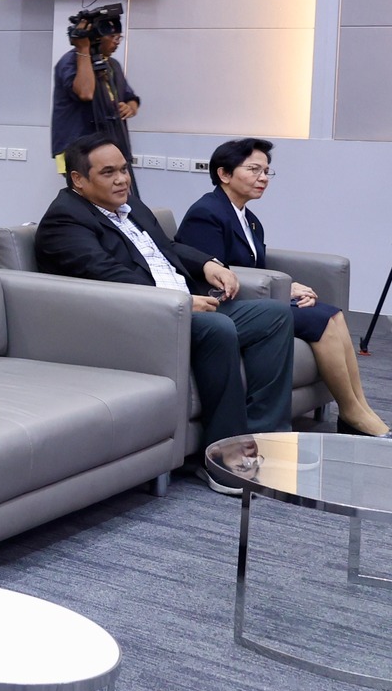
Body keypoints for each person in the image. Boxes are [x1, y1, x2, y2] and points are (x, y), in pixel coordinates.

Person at [35, 135, 294, 494]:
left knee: (275, 315)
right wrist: (180, 302)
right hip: (142, 317)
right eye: (108, 173)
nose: (122, 180)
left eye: (124, 169)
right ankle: (222, 458)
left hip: (182, 304)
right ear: (78, 179)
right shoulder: (65, 220)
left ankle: (264, 437)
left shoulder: (130, 204)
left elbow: (167, 247)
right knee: (217, 327)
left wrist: (208, 264)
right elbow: (106, 274)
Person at [179, 139, 386, 437]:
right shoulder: (207, 213)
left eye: (266, 171)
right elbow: (213, 275)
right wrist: (283, 290)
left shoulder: (249, 218)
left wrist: (289, 285)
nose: (263, 178)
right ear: (224, 174)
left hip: (257, 297)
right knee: (321, 319)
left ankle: (359, 408)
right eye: (254, 169)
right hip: (226, 305)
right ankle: (352, 413)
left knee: (334, 315)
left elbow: (255, 268)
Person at [52, 12, 138, 174]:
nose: (116, 42)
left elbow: (131, 98)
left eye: (119, 37)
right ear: (96, 37)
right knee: (87, 190)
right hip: (78, 147)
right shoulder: (69, 62)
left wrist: (130, 107)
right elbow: (85, 93)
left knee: (117, 188)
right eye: (112, 37)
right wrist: (83, 49)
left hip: (110, 142)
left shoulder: (112, 64)